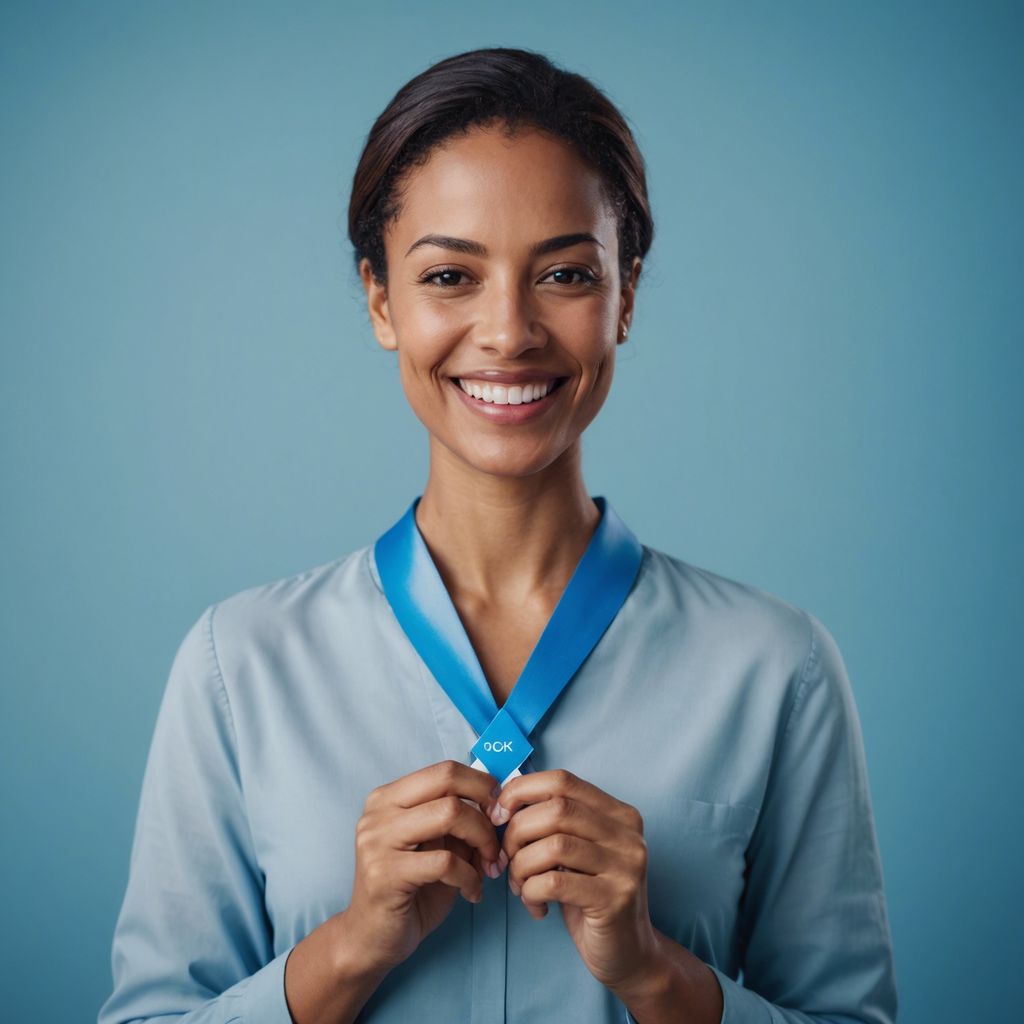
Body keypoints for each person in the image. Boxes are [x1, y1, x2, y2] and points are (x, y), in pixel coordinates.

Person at [98, 46, 898, 1024]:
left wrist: (655, 972)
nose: (508, 331)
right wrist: (347, 951)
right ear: (380, 299)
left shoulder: (777, 669)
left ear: (627, 294)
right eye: (449, 275)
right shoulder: (239, 666)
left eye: (564, 272)